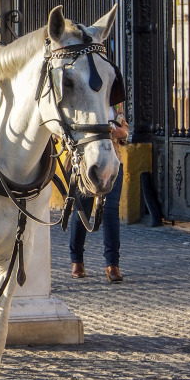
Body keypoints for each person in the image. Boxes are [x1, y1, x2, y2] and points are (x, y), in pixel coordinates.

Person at [69, 111, 129, 283]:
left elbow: (125, 129)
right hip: (86, 162)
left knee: (111, 211)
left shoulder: (114, 102)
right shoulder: (85, 100)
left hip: (113, 162)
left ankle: (112, 265)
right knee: (83, 211)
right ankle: (77, 260)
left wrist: (123, 133)